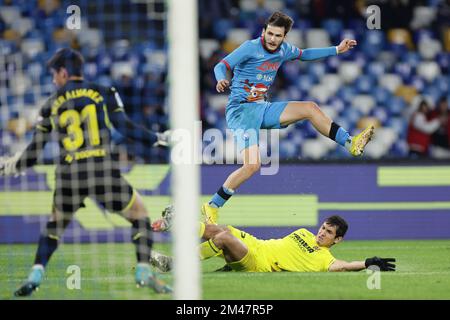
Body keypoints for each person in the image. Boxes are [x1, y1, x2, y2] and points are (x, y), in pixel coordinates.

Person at [0, 48, 171, 296]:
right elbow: (125, 127)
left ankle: (35, 273)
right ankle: (144, 269)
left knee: (54, 225)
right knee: (140, 215)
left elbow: (33, 153)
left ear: (64, 72)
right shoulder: (104, 92)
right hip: (101, 169)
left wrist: (8, 166)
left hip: (69, 174)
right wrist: (158, 139)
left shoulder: (51, 104)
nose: (53, 80)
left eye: (54, 75)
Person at [202, 11, 374, 224]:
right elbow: (222, 65)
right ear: (263, 32)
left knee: (310, 108)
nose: (273, 39)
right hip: (241, 111)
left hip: (262, 108)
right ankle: (212, 206)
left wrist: (337, 49)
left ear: (284, 37)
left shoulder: (284, 50)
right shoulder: (250, 47)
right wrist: (220, 80)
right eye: (270, 34)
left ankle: (350, 143)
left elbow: (306, 54)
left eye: (278, 36)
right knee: (252, 166)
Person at [150, 207, 396, 273]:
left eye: (329, 233)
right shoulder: (303, 232)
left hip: (258, 263)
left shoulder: (324, 259)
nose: (322, 233)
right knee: (223, 229)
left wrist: (367, 263)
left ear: (337, 240)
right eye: (323, 228)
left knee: (223, 237)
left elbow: (343, 266)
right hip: (257, 244)